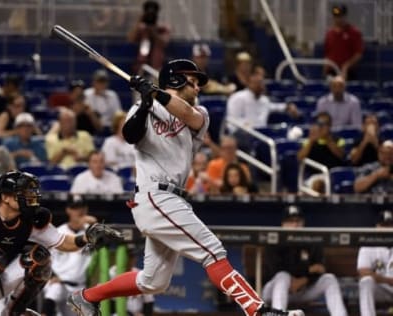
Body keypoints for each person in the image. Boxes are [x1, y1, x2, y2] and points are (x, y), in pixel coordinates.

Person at [66, 59, 304, 316]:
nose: (198, 86)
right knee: (213, 251)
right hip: (156, 195)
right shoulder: (142, 106)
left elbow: (188, 116)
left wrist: (154, 93)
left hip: (171, 197)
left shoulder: (200, 113)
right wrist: (146, 102)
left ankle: (86, 297)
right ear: (176, 79)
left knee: (153, 282)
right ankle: (256, 310)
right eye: (192, 80)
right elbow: (131, 135)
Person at [0, 170, 123, 316]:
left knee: (40, 258)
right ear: (5, 197)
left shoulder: (30, 219)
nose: (31, 195)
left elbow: (63, 242)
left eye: (31, 191)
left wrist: (87, 238)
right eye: (22, 192)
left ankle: (15, 312)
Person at [262, 206, 347, 316]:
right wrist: (307, 270)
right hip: (274, 291)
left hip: (303, 289)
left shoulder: (312, 240)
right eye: (290, 221)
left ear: (303, 223)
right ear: (283, 224)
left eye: (298, 221)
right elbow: (274, 270)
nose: (295, 225)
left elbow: (320, 269)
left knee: (329, 279)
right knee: (283, 276)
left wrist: (304, 280)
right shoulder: (274, 241)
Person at [297, 112, 346, 193]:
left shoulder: (338, 140)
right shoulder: (309, 141)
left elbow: (341, 155)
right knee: (319, 184)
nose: (321, 127)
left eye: (325, 124)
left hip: (333, 175)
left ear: (330, 126)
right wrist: (311, 141)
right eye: (319, 124)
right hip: (314, 176)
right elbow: (300, 158)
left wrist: (327, 140)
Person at [357, 209, 393, 316]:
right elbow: (363, 272)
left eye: (390, 225)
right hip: (381, 289)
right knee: (366, 281)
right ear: (377, 226)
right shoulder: (368, 244)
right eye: (384, 225)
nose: (388, 229)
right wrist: (388, 281)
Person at [127, 0, 171, 74]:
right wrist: (139, 22)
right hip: (141, 66)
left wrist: (153, 32)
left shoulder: (162, 29)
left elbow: (164, 42)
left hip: (156, 66)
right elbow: (130, 39)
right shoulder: (142, 28)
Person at [324, 4, 363, 80]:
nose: (338, 19)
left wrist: (346, 66)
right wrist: (325, 68)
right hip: (332, 71)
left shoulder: (354, 33)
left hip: (348, 72)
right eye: (336, 16)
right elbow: (327, 53)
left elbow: (358, 54)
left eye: (340, 16)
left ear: (345, 16)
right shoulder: (329, 34)